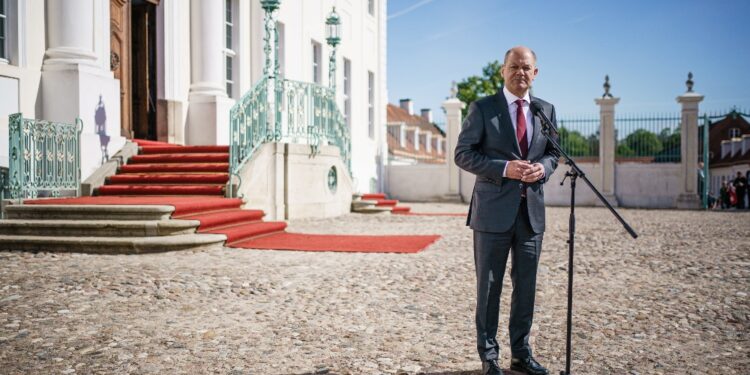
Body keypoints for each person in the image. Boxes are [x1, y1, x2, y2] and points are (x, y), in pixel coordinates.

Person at [454, 46, 558, 375]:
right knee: (489, 287)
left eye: (526, 67)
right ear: (503, 71)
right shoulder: (483, 108)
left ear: (535, 73)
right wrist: (504, 168)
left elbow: (554, 154)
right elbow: (463, 154)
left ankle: (521, 353)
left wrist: (542, 169)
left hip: (531, 215)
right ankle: (489, 357)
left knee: (525, 286)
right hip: (492, 213)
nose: (520, 73)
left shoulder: (546, 110)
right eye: (514, 67)